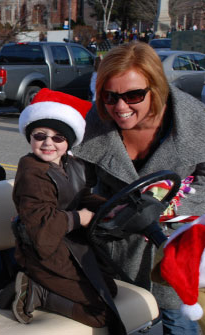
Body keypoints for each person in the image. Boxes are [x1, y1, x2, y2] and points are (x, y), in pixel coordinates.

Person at [72, 42, 205, 334]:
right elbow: (80, 181)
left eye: (133, 95)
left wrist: (176, 210)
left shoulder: (194, 120)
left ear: (155, 88)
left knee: (178, 321)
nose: (120, 107)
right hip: (115, 248)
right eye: (109, 96)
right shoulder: (95, 121)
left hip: (175, 244)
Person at [11, 88, 124, 333]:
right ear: (30, 138)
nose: (48, 142)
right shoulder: (31, 172)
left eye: (58, 137)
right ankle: (37, 291)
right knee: (101, 313)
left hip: (70, 247)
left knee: (111, 289)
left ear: (68, 142)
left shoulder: (72, 165)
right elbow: (41, 226)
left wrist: (109, 206)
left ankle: (42, 289)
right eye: (40, 135)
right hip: (44, 254)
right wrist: (78, 217)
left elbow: (81, 197)